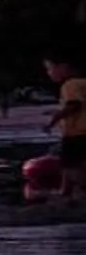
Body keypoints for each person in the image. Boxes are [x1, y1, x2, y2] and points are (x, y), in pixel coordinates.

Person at [50, 52, 86, 204]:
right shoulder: (84, 83)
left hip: (75, 133)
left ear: (63, 68)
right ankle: (66, 193)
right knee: (75, 165)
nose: (49, 73)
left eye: (50, 68)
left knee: (70, 167)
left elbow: (74, 105)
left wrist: (55, 118)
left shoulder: (69, 85)